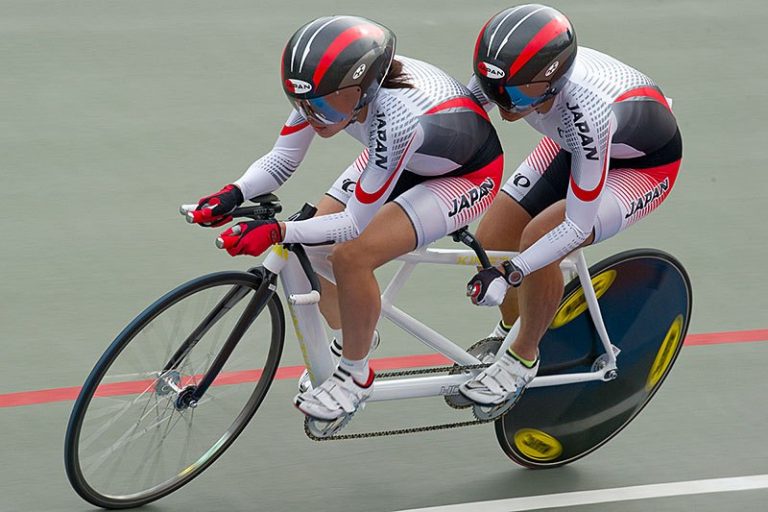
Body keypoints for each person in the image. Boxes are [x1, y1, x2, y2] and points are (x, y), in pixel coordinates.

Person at [189, 16, 504, 424]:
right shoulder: (326, 93)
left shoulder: (396, 118)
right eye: (302, 104)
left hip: (463, 175)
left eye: (321, 106)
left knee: (352, 257)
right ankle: (360, 331)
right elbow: (284, 158)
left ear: (363, 91)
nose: (312, 116)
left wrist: (277, 230)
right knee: (313, 245)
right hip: (394, 157)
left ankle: (356, 376)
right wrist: (233, 193)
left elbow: (354, 226)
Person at [459, 4, 682, 417]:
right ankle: (512, 331)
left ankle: (523, 358)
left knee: (542, 238)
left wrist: (513, 272)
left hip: (639, 166)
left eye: (521, 95)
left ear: (555, 80)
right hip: (569, 143)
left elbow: (577, 224)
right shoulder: (508, 76)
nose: (506, 107)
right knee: (492, 239)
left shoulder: (587, 111)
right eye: (497, 92)